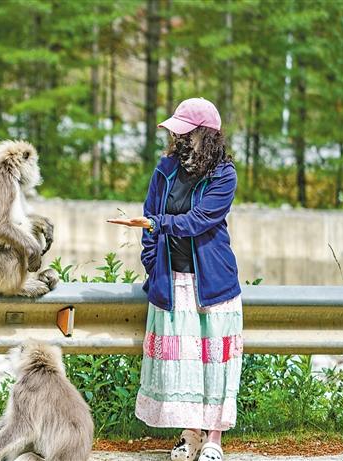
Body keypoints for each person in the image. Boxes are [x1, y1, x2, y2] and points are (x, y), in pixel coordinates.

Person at [108, 97, 242, 461]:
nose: (177, 138)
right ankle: (190, 434)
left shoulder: (224, 175)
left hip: (212, 284)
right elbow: (149, 217)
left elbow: (199, 221)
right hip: (173, 281)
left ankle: (214, 438)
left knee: (214, 363)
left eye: (185, 132)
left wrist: (157, 224)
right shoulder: (165, 169)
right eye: (176, 132)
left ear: (206, 135)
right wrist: (153, 263)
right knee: (183, 364)